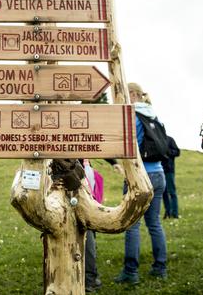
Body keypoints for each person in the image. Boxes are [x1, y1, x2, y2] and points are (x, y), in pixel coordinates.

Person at [114, 82, 167, 285]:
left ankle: (131, 272)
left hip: (139, 175)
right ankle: (160, 268)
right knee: (154, 223)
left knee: (132, 225)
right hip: (159, 174)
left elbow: (129, 146)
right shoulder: (154, 115)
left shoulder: (134, 116)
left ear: (133, 94)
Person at [82, 158, 121, 293]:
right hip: (78, 174)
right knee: (87, 229)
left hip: (78, 175)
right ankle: (90, 278)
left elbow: (96, 141)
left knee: (87, 229)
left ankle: (89, 279)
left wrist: (113, 162)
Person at [161, 136, 180, 219]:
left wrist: (168, 152)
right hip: (159, 170)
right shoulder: (157, 139)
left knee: (172, 192)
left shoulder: (170, 139)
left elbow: (177, 152)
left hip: (169, 170)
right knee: (163, 192)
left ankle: (175, 213)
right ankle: (167, 212)